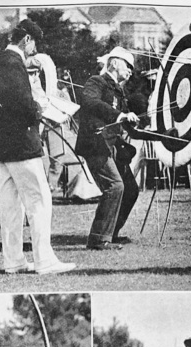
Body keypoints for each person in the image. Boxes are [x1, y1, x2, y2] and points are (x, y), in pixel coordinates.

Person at [0, 20, 76, 275]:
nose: (33, 51)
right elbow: (23, 104)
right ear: (26, 40)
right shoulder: (14, 64)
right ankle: (44, 260)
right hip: (22, 145)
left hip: (2, 147)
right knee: (40, 200)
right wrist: (42, 110)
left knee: (11, 206)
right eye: (33, 44)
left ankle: (13, 261)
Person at [76, 46, 143, 250]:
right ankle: (98, 239)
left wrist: (131, 120)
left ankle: (111, 233)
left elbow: (120, 119)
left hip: (112, 146)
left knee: (130, 189)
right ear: (114, 63)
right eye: (128, 65)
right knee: (115, 186)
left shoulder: (118, 90)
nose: (131, 70)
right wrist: (118, 115)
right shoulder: (96, 81)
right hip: (95, 145)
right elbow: (89, 101)